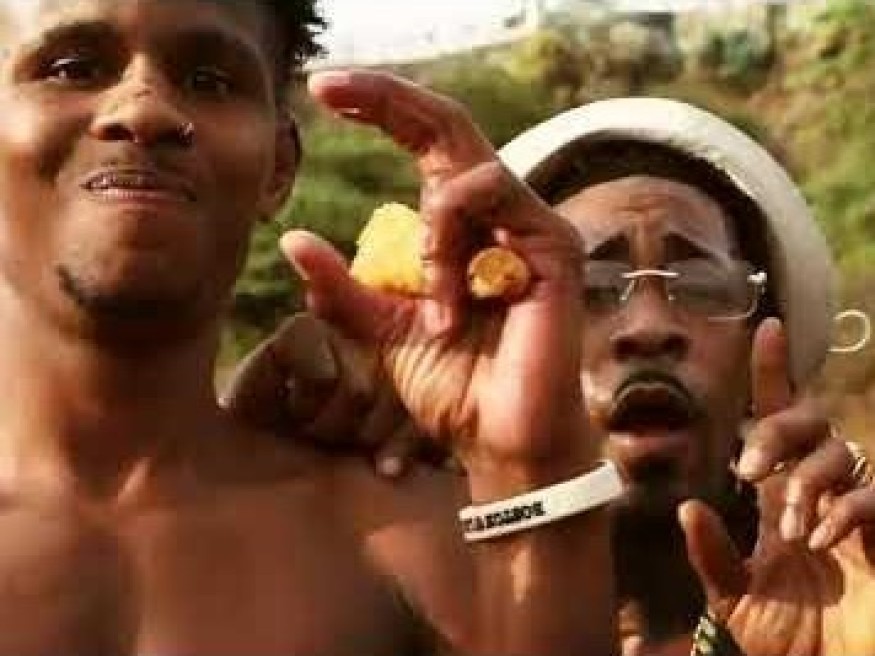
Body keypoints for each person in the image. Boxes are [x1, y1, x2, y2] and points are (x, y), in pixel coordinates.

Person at [0, 1, 622, 654]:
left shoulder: (405, 536)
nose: (144, 110)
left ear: (279, 166)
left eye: (210, 81)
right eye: (72, 68)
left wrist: (531, 467)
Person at [225, 98, 875, 655]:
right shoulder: (387, 607)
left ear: (764, 351)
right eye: (588, 286)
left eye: (703, 286)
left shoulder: (845, 594)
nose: (648, 327)